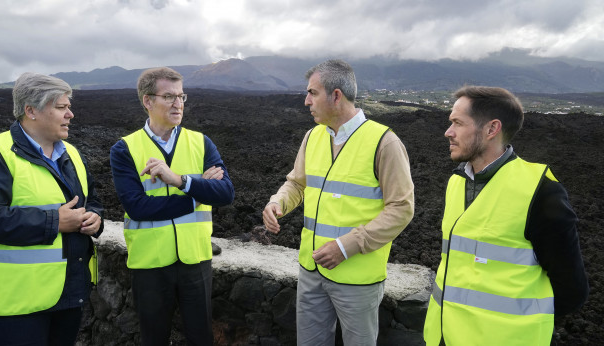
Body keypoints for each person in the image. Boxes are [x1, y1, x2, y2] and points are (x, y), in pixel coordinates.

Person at [262, 59, 415, 344]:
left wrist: (346, 247)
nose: (306, 101)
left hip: (357, 279)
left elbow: (402, 208)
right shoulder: (312, 137)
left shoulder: (384, 142)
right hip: (311, 270)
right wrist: (277, 202)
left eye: (312, 93)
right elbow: (297, 183)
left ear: (336, 95)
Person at [423, 86, 589, 345]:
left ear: (491, 129)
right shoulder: (457, 182)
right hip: (442, 336)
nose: (448, 132)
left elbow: (572, 291)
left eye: (457, 123)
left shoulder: (541, 192)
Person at [0, 72, 103, 345]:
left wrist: (95, 218)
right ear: (31, 111)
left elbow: (93, 200)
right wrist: (54, 222)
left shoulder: (73, 154)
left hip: (68, 296)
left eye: (68, 106)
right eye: (61, 107)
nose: (70, 114)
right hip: (12, 305)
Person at [110, 67, 234, 345]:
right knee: (154, 339)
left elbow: (226, 193)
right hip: (150, 264)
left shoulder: (201, 142)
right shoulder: (124, 149)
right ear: (148, 101)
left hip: (195, 260)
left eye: (181, 96)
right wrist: (197, 193)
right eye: (169, 96)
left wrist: (179, 180)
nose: (178, 104)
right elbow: (138, 207)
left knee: (201, 338)